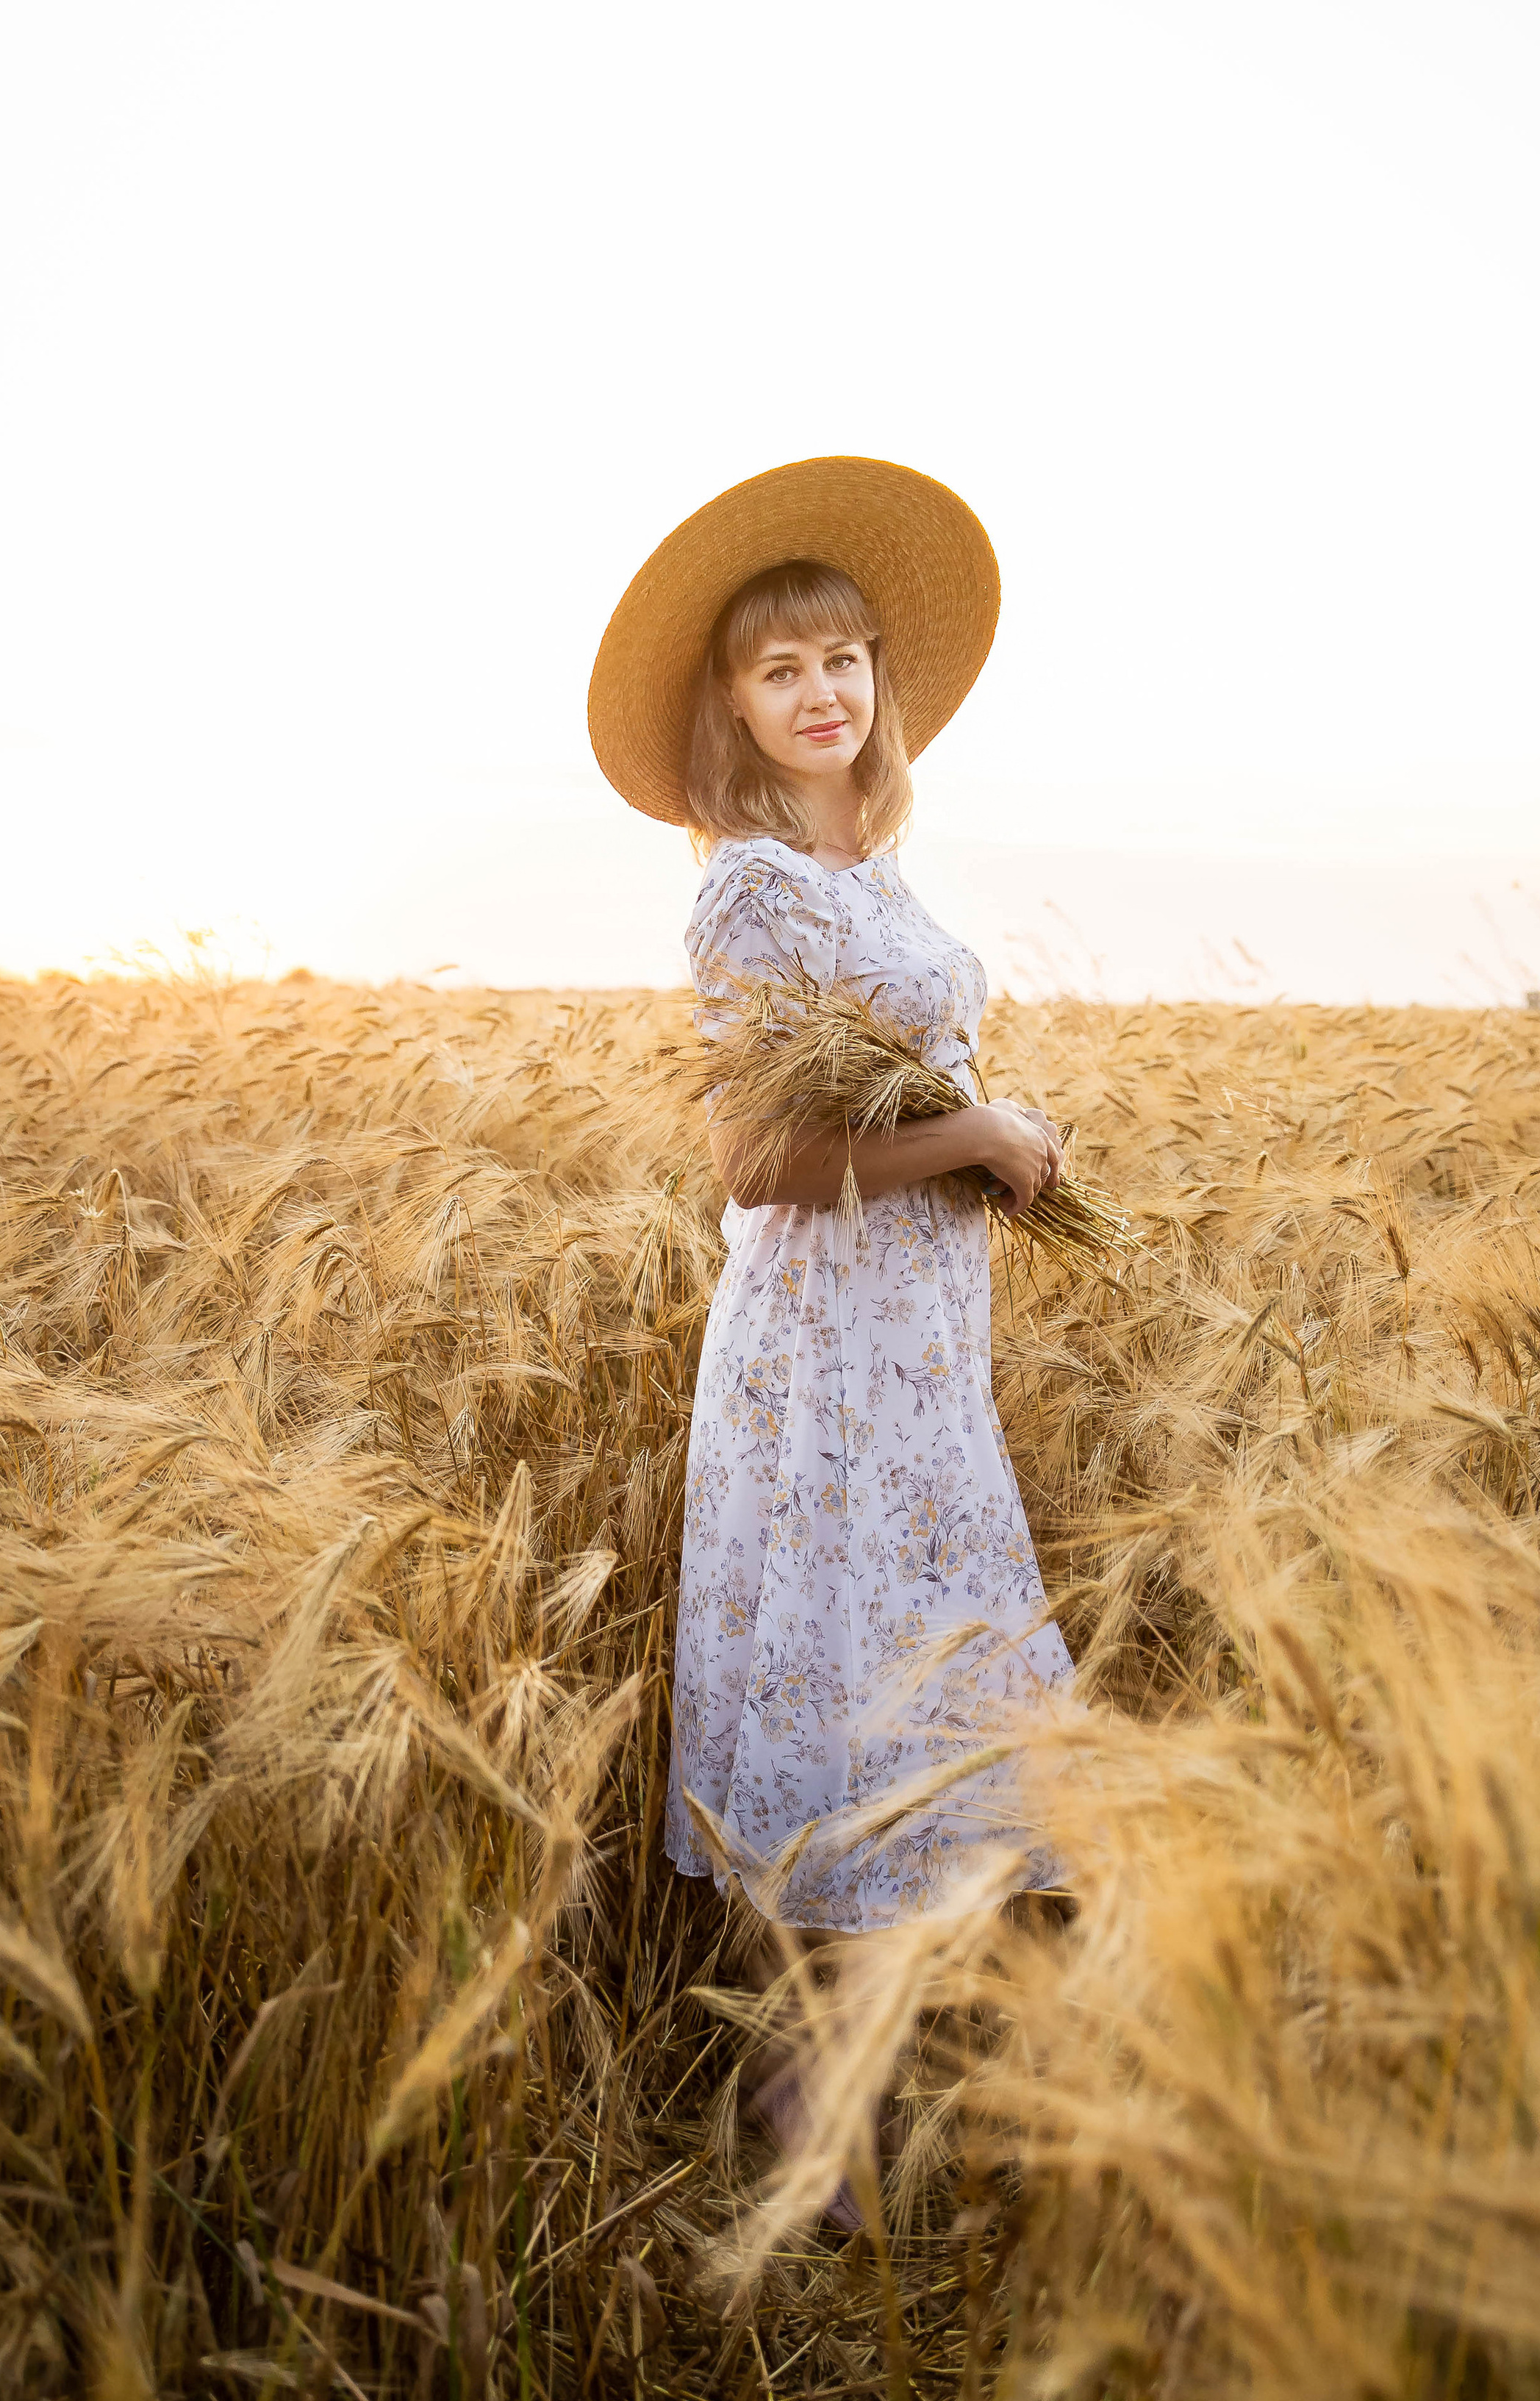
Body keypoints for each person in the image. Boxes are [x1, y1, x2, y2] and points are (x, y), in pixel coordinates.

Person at [588, 459, 1075, 2206]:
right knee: (847, 1723)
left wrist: (1000, 1144)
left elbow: (895, 1088)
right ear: (732, 704)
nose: (819, 694)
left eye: (843, 662)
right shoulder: (751, 891)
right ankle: (809, 2153)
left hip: (916, 1354)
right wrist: (973, 1140)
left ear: (877, 686)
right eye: (779, 669)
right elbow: (756, 1156)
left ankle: (836, 2137)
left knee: (903, 1731)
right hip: (829, 1367)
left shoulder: (863, 876)